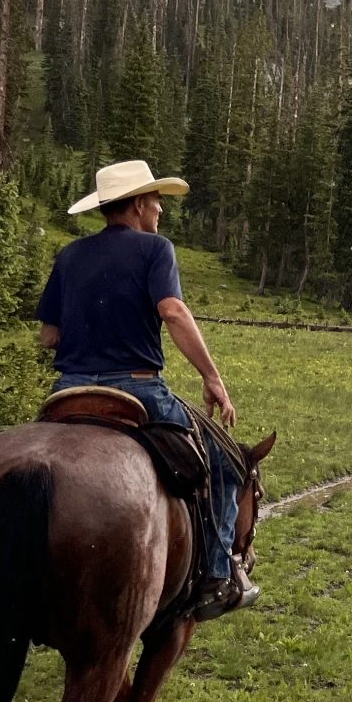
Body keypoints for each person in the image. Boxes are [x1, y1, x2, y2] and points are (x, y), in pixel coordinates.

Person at [36, 159, 259, 621]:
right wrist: (213, 378)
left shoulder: (69, 256)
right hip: (138, 391)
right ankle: (218, 577)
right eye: (156, 200)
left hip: (68, 389)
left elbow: (49, 336)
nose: (160, 209)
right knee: (224, 465)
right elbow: (174, 312)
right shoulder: (155, 249)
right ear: (138, 204)